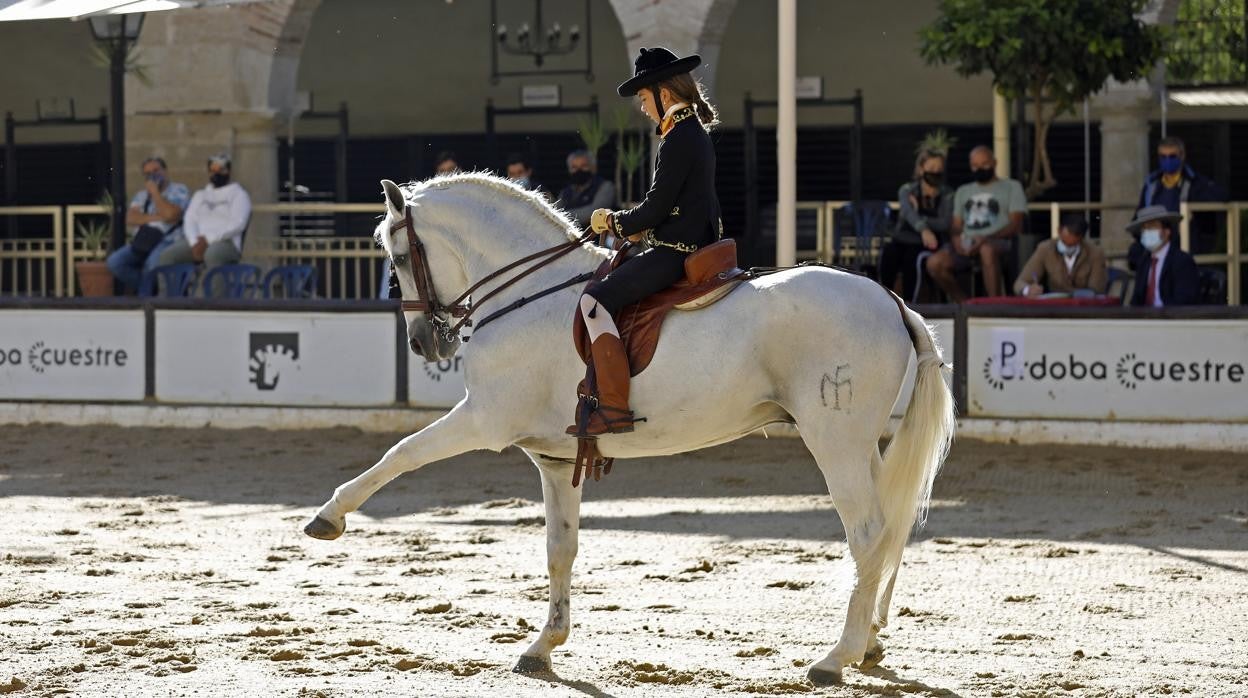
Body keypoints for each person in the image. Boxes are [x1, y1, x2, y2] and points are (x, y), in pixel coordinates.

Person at [567, 46, 721, 441]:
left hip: (677, 253)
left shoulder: (679, 138)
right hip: (684, 242)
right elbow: (669, 206)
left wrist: (613, 221)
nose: (642, 107)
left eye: (643, 98)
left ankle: (615, 406)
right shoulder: (689, 132)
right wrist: (638, 229)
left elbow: (655, 208)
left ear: (663, 95)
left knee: (593, 300)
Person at [925, 146, 1026, 301]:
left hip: (999, 241)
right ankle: (965, 305)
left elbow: (1016, 224)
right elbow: (956, 225)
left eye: (984, 164)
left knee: (986, 250)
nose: (979, 169)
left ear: (994, 163)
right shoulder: (963, 191)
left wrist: (985, 239)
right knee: (934, 263)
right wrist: (957, 240)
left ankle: (994, 306)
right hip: (967, 243)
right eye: (975, 165)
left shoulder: (1012, 187)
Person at [158, 154, 251, 290]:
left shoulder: (239, 195)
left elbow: (238, 223)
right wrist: (194, 242)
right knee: (167, 256)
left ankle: (217, 302)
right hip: (197, 241)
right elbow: (189, 219)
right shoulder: (200, 195)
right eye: (213, 170)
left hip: (226, 242)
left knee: (212, 255)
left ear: (228, 171)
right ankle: (168, 300)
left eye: (221, 170)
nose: (216, 174)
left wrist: (208, 239)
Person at [105, 157, 191, 293]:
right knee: (115, 262)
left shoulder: (179, 190)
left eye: (156, 170)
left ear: (165, 171)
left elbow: (171, 216)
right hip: (144, 239)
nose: (153, 175)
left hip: (168, 240)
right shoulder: (141, 195)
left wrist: (155, 193)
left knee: (151, 264)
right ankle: (147, 288)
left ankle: (146, 295)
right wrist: (159, 217)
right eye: (148, 173)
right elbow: (131, 218)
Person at [880, 149, 952, 302]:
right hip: (903, 238)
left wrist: (918, 213)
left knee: (912, 260)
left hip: (928, 244)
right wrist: (924, 229)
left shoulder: (947, 194)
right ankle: (884, 302)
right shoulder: (907, 190)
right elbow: (906, 212)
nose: (936, 172)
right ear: (921, 169)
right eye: (932, 168)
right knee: (889, 253)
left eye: (939, 169)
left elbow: (944, 223)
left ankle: (910, 307)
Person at [1135, 136, 1227, 254]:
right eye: (1163, 157)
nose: (1167, 160)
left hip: (1185, 246)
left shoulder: (1194, 182)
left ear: (1182, 156)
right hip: (1156, 246)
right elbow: (1139, 216)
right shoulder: (1151, 184)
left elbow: (1221, 196)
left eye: (1172, 156)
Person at [1013, 215, 1108, 297]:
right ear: (1059, 230)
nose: (1067, 248)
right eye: (1064, 242)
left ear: (1081, 239)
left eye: (1072, 245)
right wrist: (1027, 290)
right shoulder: (1045, 249)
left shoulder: (1095, 253)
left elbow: (1096, 290)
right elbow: (1020, 282)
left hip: (1084, 307)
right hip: (1055, 306)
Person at [1126, 205, 1200, 307]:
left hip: (1171, 319)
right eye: (1144, 229)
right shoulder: (1144, 261)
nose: (1147, 232)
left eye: (1152, 227)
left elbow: (1184, 301)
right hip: (1145, 320)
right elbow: (1136, 299)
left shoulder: (1182, 261)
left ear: (1167, 232)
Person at [556, 149, 616, 229]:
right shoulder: (565, 192)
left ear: (593, 168)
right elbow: (555, 214)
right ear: (569, 170)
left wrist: (563, 216)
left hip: (595, 238)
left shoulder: (605, 186)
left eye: (584, 166)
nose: (579, 170)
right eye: (574, 167)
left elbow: (595, 212)